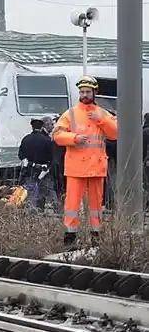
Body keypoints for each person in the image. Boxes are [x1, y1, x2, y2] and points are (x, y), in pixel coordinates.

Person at [52, 75, 118, 249]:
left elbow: (115, 134)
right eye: (82, 92)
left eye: (88, 91)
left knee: (96, 205)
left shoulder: (103, 113)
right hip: (76, 167)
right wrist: (73, 138)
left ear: (95, 92)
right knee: (72, 204)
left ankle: (96, 236)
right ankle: (70, 237)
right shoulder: (70, 114)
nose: (84, 95)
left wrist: (101, 119)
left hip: (96, 167)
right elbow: (57, 135)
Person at [18, 118, 55, 211]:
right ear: (42, 127)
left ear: (32, 127)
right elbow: (52, 157)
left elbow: (21, 155)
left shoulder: (26, 139)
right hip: (43, 170)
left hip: (30, 169)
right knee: (44, 191)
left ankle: (31, 210)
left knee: (30, 191)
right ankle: (41, 209)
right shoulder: (47, 140)